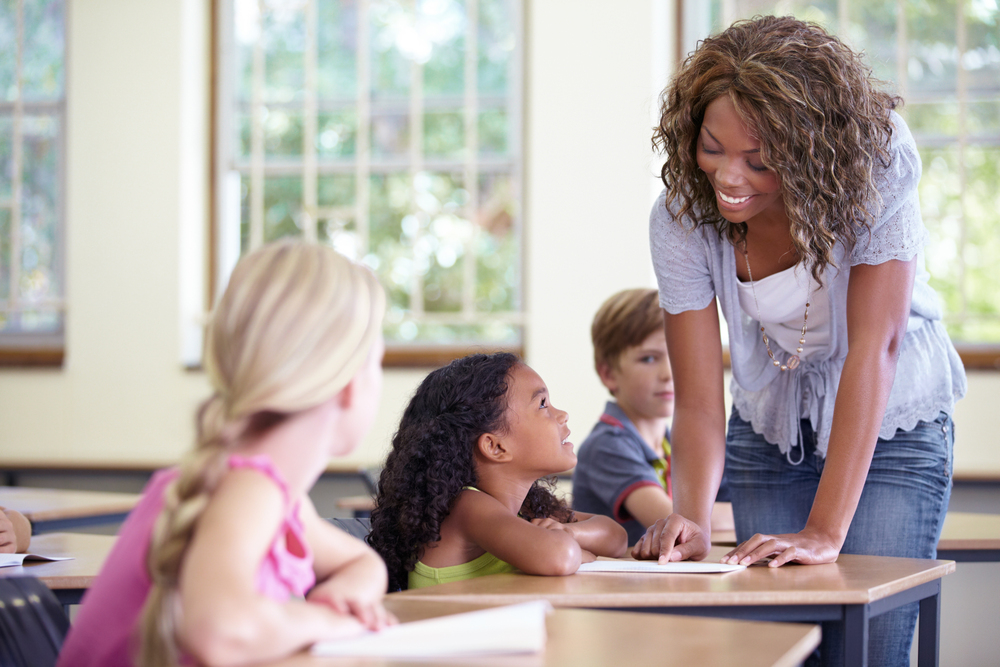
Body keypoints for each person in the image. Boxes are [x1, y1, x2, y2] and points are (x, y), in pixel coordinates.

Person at [634, 15, 966, 666]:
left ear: (813, 147)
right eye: (713, 148)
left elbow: (878, 347)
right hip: (769, 426)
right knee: (778, 651)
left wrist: (824, 531)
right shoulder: (680, 216)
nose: (730, 177)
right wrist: (693, 518)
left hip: (892, 422)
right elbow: (700, 398)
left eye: (759, 159)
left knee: (862, 654)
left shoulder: (877, 162)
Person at [58, 241, 394, 667]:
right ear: (348, 385)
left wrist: (343, 597)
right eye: (377, 363)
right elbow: (218, 633)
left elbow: (362, 562)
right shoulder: (248, 490)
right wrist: (327, 623)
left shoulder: (277, 497)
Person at [367, 352, 628, 592]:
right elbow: (561, 557)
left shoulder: (526, 507)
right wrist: (571, 547)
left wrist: (572, 533)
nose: (562, 415)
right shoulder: (467, 507)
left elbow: (616, 538)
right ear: (495, 446)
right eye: (542, 404)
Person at [572, 288, 733, 545]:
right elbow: (676, 521)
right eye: (649, 359)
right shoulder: (606, 446)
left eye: (677, 357)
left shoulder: (682, 444)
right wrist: (744, 513)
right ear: (608, 374)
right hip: (619, 583)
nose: (669, 374)